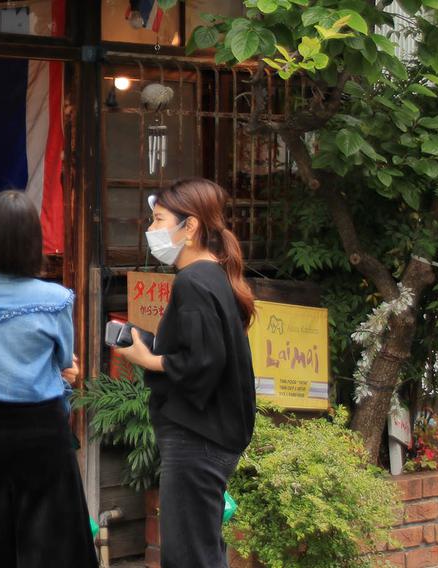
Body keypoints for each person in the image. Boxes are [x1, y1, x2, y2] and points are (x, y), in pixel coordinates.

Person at [0, 190, 98, 568]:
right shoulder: (55, 299)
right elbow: (64, 362)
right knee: (53, 539)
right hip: (43, 429)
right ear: (33, 242)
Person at [116, 177, 256, 568]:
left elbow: (202, 361)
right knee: (201, 549)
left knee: (188, 555)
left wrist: (149, 360)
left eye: (159, 220)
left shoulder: (194, 281)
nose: (151, 230)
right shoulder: (213, 273)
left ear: (190, 226)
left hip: (198, 437)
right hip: (213, 434)